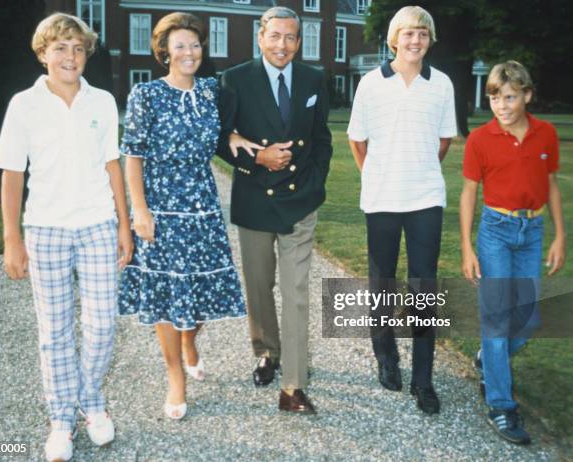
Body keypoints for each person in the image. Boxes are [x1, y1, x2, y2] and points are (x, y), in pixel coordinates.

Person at [0, 13, 132, 462]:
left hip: (97, 225)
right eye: (60, 48)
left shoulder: (104, 102)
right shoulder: (23, 105)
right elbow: (13, 174)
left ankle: (90, 401)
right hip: (45, 229)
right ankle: (60, 420)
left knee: (103, 324)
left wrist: (124, 226)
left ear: (86, 55)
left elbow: (114, 167)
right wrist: (12, 238)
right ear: (43, 53)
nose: (69, 57)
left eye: (77, 48)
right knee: (54, 332)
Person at [118, 12, 246, 420]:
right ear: (164, 52)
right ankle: (176, 376)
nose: (189, 52)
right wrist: (139, 210)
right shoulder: (147, 95)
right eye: (180, 46)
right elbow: (132, 156)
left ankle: (191, 341)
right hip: (161, 210)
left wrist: (232, 134)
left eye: (194, 45)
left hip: (203, 209)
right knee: (168, 298)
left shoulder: (212, 90)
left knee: (202, 293)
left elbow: (227, 121)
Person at [218, 6, 332, 414]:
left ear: (298, 42)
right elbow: (220, 139)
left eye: (290, 38)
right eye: (275, 36)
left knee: (296, 292)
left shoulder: (314, 79)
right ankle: (267, 351)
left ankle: (294, 386)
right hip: (254, 199)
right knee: (259, 287)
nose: (282, 45)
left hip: (300, 202)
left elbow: (322, 139)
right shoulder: (233, 80)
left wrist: (315, 185)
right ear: (260, 37)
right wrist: (257, 160)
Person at [347, 6, 457, 415]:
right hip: (381, 198)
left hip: (426, 198)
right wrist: (378, 175)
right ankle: (386, 357)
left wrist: (418, 172)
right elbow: (357, 141)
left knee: (424, 286)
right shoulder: (371, 84)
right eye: (408, 34)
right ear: (394, 38)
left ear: (429, 40)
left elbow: (444, 141)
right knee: (382, 283)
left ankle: (423, 378)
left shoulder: (441, 84)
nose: (415, 41)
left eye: (423, 35)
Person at [460, 60, 565, 444]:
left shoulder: (546, 134)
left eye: (508, 97)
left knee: (529, 319)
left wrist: (559, 236)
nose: (501, 106)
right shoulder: (479, 139)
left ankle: (489, 358)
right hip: (495, 232)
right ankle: (501, 405)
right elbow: (469, 192)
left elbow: (552, 183)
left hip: (532, 231)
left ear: (526, 95)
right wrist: (468, 247)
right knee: (496, 317)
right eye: (494, 98)